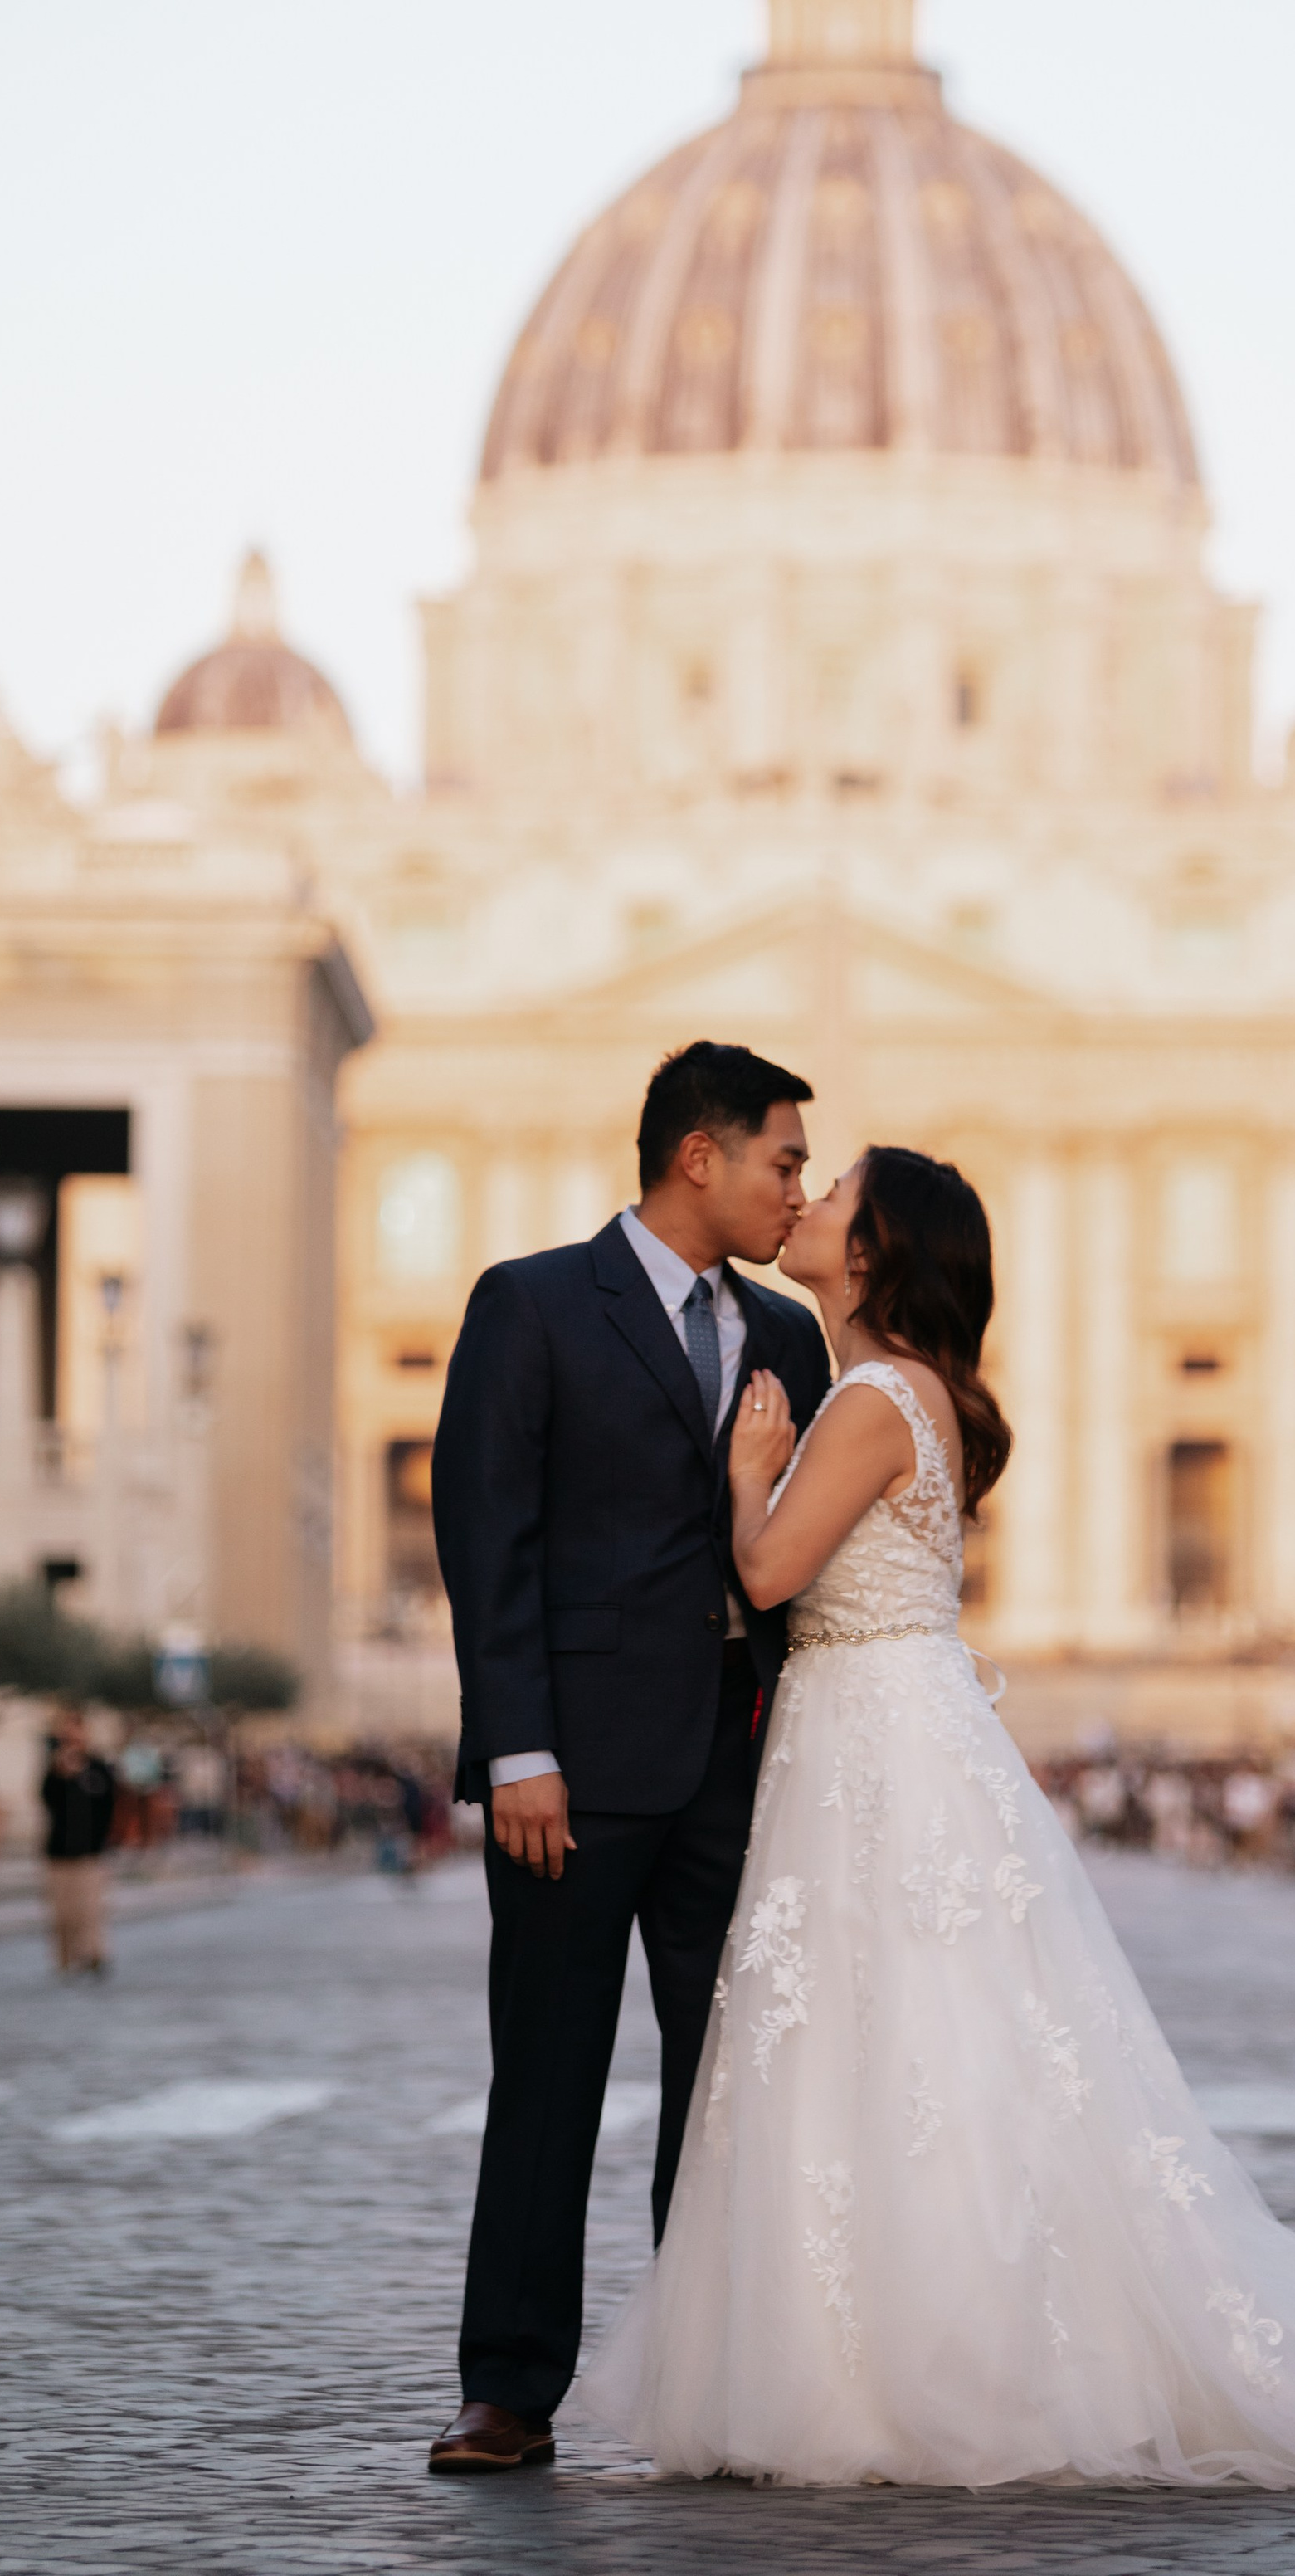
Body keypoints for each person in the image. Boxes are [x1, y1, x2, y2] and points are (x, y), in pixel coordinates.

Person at [584, 1146, 1295, 2492]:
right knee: (929, 2045)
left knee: (879, 2039)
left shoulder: (870, 1399)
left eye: (833, 1199)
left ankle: (886, 2364)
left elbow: (768, 1569)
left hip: (872, 1742)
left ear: (874, 1252)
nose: (809, 1203)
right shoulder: (912, 1395)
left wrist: (746, 1467)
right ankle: (913, 2349)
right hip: (893, 1733)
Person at [426, 1042, 832, 2476]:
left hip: (737, 1758)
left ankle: (709, 2380)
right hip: (574, 1770)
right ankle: (509, 2386)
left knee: (731, 2086)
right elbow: (489, 1540)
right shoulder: (532, 1303)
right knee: (548, 2074)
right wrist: (516, 1747)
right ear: (698, 1157)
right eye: (784, 1160)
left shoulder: (790, 1338)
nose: (799, 1190)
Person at [40, 1705, 117, 1976]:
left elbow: (109, 1804)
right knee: (61, 1912)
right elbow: (47, 1799)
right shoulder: (53, 1768)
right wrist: (62, 1774)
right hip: (58, 1850)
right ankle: (64, 1959)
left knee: (89, 1908)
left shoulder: (97, 1768)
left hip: (90, 1851)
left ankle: (92, 1954)